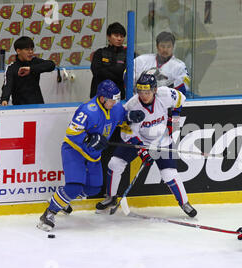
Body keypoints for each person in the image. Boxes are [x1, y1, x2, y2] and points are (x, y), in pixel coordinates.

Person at [37, 80, 145, 232]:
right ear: (102, 98)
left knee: (93, 188)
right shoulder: (87, 110)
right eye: (112, 100)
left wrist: (131, 116)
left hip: (94, 154)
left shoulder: (115, 107)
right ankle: (49, 213)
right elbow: (72, 133)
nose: (115, 103)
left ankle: (63, 197)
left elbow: (121, 118)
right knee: (74, 187)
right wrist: (88, 139)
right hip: (75, 151)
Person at [95, 70, 197, 218]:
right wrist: (142, 151)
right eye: (140, 91)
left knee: (169, 174)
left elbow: (181, 99)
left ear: (155, 90)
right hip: (140, 140)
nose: (144, 95)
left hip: (162, 139)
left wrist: (173, 119)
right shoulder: (132, 105)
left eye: (147, 92)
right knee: (114, 163)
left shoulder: (165, 94)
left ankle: (184, 203)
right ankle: (111, 197)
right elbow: (127, 133)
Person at [0, 36, 55, 106]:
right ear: (18, 51)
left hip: (38, 106)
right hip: (19, 107)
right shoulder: (11, 68)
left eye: (32, 49)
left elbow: (51, 65)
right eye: (27, 49)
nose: (31, 52)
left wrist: (31, 69)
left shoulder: (35, 61)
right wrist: (4, 99)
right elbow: (7, 85)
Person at [134, 31, 190, 95]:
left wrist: (164, 87)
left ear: (173, 47)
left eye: (168, 46)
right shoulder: (142, 60)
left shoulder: (180, 66)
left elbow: (184, 88)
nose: (165, 50)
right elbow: (128, 77)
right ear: (157, 46)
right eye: (162, 46)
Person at [90, 22, 131, 99]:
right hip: (98, 96)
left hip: (118, 96)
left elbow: (126, 74)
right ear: (108, 37)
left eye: (122, 36)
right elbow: (97, 72)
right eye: (116, 36)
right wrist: (117, 71)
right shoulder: (99, 53)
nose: (119, 39)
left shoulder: (128, 54)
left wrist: (107, 70)